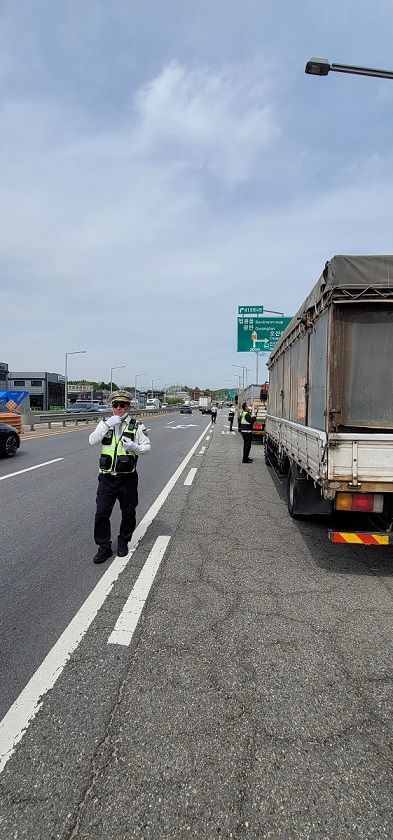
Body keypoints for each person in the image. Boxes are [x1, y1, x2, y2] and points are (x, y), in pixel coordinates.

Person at [89, 389, 151, 564]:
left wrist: (135, 447)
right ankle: (104, 547)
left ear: (128, 406)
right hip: (107, 478)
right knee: (101, 512)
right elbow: (92, 441)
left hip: (127, 479)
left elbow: (147, 447)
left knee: (128, 512)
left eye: (122, 405)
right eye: (115, 405)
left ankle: (123, 541)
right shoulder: (104, 424)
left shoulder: (137, 426)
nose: (118, 408)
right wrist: (107, 425)